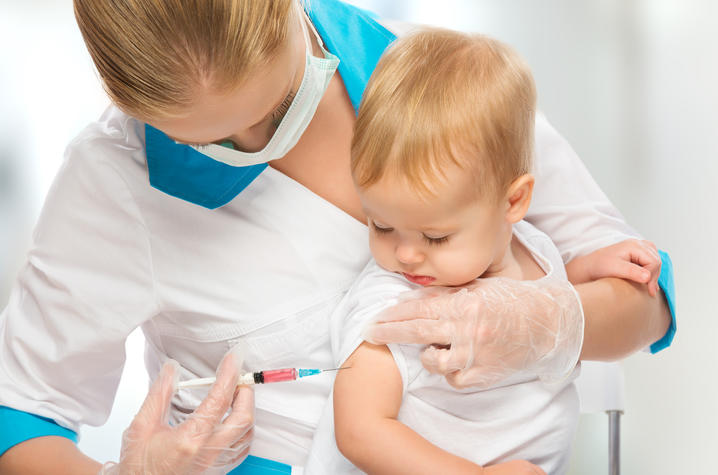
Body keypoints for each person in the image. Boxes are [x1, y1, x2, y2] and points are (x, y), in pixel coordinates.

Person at [0, 0, 675, 474]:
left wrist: (548, 319)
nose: (255, 145)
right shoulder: (113, 178)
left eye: (270, 107)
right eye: (207, 140)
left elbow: (647, 299)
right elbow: (20, 420)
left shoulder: (437, 83)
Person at [304, 28, 663, 475]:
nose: (406, 254)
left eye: (435, 237)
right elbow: (360, 431)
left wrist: (590, 268)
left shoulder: (533, 248)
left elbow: (542, 296)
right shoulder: (393, 310)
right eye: (381, 225)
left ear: (513, 202)